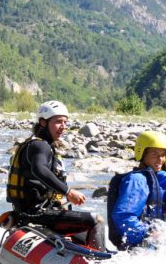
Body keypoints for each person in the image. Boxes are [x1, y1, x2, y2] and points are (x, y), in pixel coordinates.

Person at [6, 100, 105, 249]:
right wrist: (68, 192)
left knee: (84, 235)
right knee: (96, 220)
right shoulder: (40, 146)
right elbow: (39, 170)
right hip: (37, 214)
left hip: (27, 212)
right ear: (43, 122)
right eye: (58, 122)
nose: (63, 127)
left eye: (65, 122)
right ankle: (99, 263)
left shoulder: (36, 144)